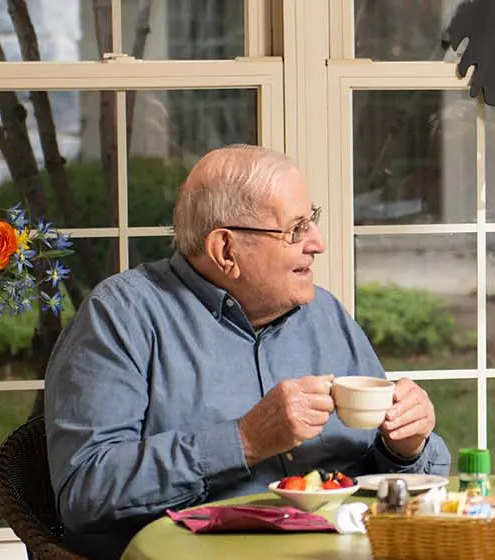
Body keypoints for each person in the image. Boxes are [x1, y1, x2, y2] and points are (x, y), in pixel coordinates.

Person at [44, 145, 450, 558]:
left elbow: (384, 476)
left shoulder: (325, 315)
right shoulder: (123, 316)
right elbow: (85, 492)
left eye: (312, 220)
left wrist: (406, 448)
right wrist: (244, 440)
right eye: (296, 228)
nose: (318, 242)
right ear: (226, 250)